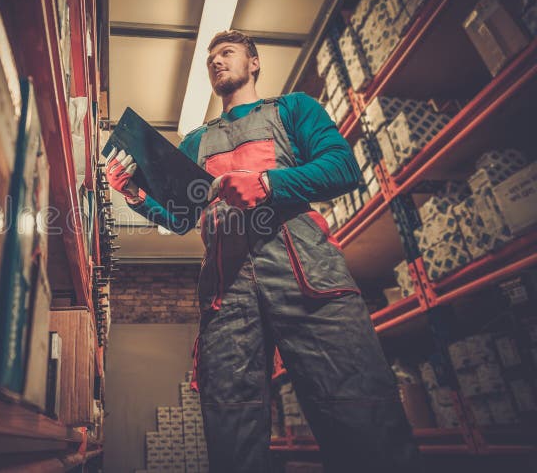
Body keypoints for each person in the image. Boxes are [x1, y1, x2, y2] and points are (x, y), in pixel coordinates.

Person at [106, 30, 423, 473]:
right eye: (211, 59)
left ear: (254, 62)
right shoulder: (195, 142)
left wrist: (269, 183)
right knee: (229, 422)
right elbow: (180, 217)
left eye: (227, 53)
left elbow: (343, 167)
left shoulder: (293, 109)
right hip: (226, 292)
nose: (217, 62)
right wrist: (136, 195)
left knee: (358, 408)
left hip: (308, 276)